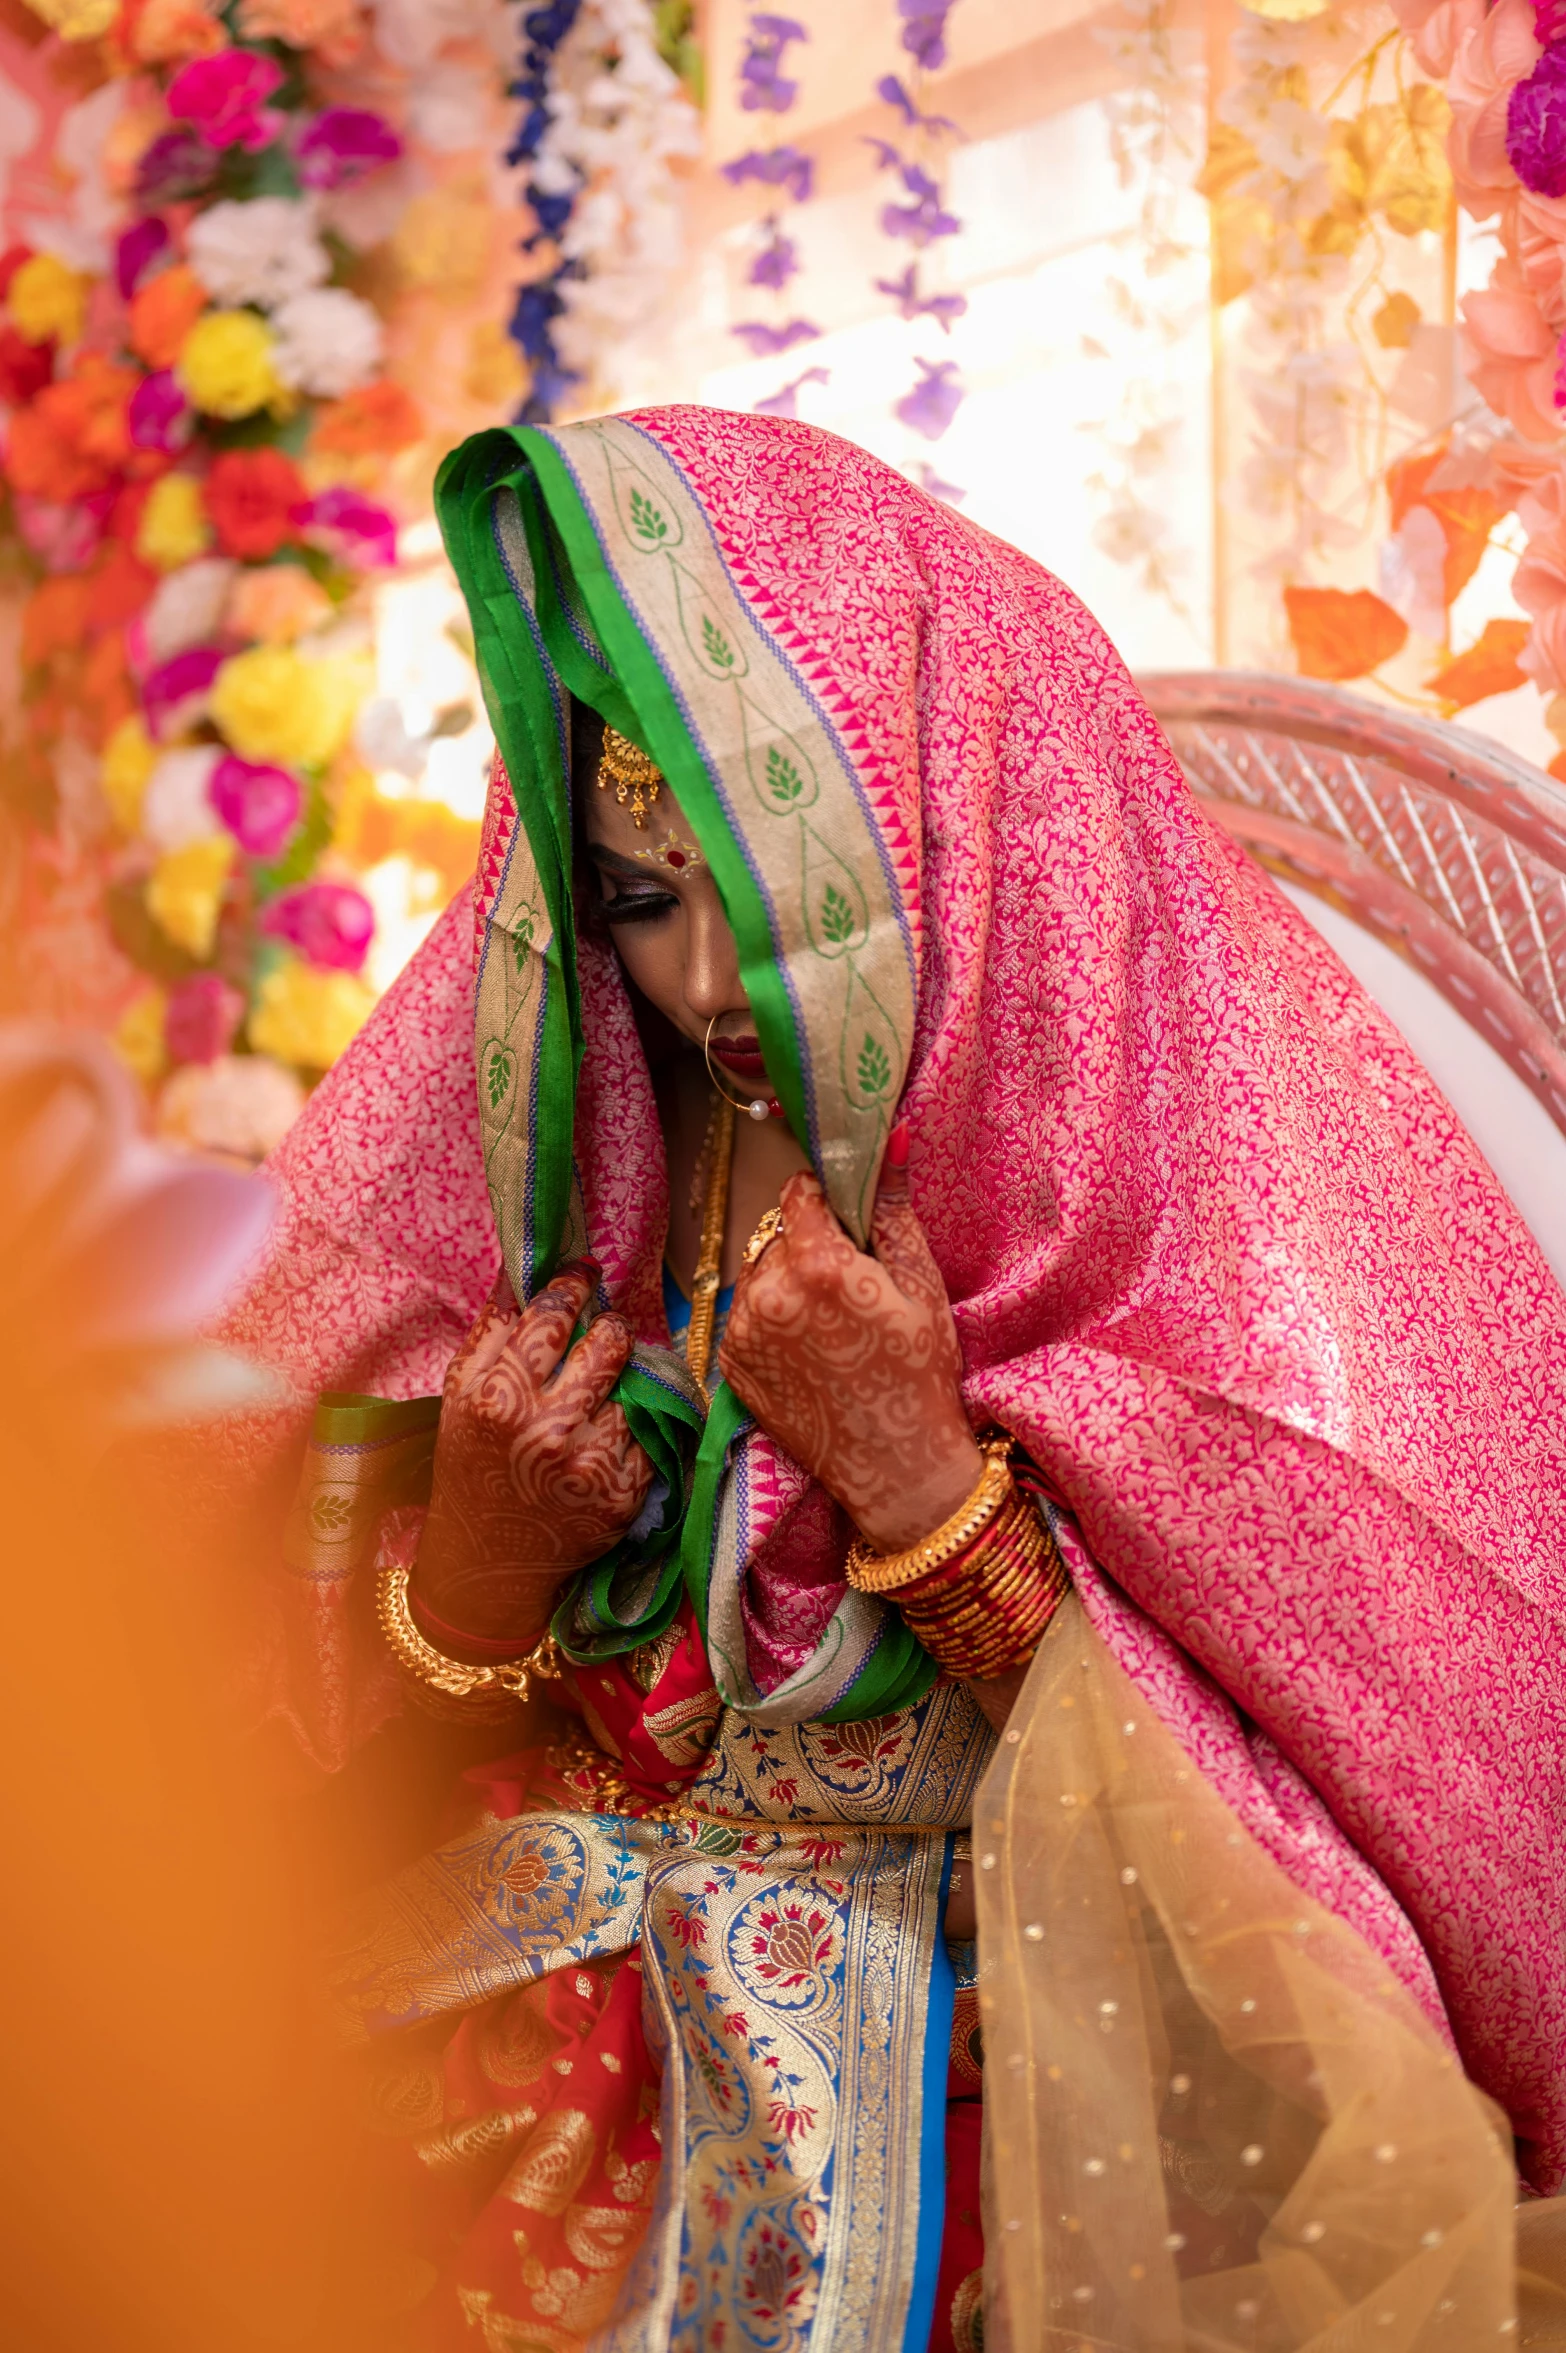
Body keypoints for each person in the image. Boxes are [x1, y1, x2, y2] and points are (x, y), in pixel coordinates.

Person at [225, 408, 1566, 2353]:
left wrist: (931, 1494)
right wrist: (476, 1581)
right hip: (524, 2049)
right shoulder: (569, 1136)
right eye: (638, 901)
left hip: (1003, 2092)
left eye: (770, 898)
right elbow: (257, 1713)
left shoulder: (1159, 1205)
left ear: (956, 834)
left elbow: (1328, 1878)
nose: (701, 989)